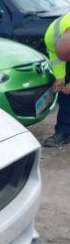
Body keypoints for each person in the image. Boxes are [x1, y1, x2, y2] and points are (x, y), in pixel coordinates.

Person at [44, 12, 70, 147]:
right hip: (63, 48)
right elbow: (55, 57)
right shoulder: (52, 34)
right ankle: (64, 131)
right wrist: (60, 78)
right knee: (65, 92)